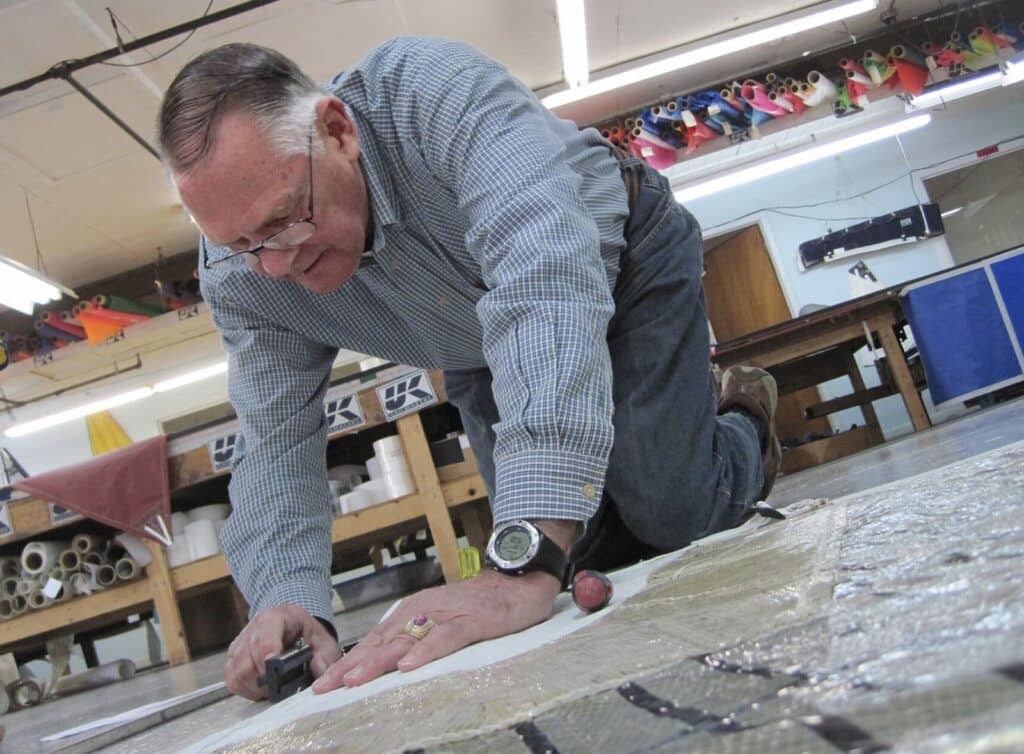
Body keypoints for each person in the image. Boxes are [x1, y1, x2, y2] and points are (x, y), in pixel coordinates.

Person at [157, 37, 781, 700]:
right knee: (589, 565)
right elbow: (275, 439)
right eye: (244, 246)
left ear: (337, 131)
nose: (276, 265)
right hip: (478, 342)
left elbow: (543, 281)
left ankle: (739, 412)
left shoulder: (434, 94)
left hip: (620, 257)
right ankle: (654, 447)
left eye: (283, 221)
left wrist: (530, 556)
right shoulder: (244, 276)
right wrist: (287, 601)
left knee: (667, 510)